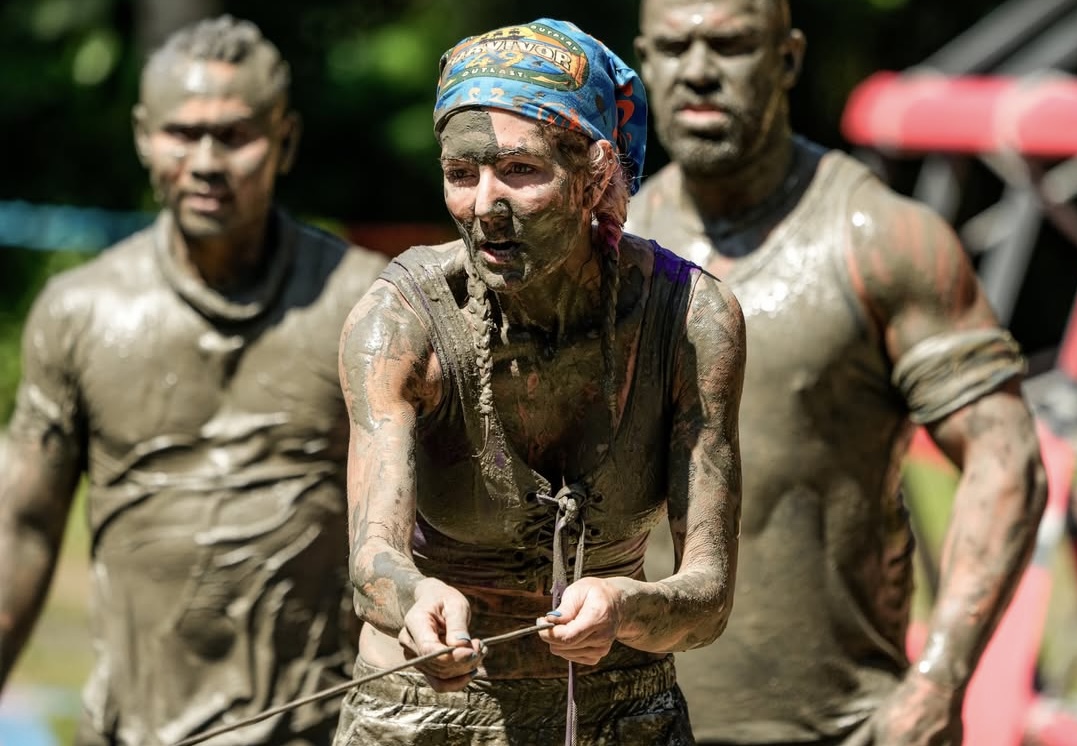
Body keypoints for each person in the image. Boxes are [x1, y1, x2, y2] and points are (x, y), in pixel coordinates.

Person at [627, 1, 1049, 744]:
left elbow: (1005, 458)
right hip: (632, 724)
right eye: (672, 48)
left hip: (843, 728)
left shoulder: (881, 239)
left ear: (787, 58)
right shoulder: (609, 245)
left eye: (730, 45)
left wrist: (939, 680)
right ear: (644, 63)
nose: (697, 72)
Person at [333, 17, 745, 746]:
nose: (484, 205)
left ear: (595, 175)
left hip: (624, 712)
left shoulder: (689, 320)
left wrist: (626, 608)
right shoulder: (400, 322)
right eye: (462, 174)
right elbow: (372, 564)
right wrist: (415, 599)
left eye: (520, 171)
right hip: (421, 713)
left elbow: (708, 597)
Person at [0, 15, 387, 746]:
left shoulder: (362, 304)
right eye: (183, 134)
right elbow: (19, 530)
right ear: (144, 137)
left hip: (318, 728)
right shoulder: (80, 312)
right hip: (132, 729)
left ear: (285, 142)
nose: (207, 161)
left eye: (235, 136)